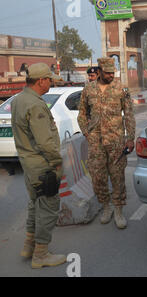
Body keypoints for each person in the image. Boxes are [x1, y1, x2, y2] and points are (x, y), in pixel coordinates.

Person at [11, 63, 66, 269]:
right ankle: (41, 254)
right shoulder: (35, 104)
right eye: (49, 79)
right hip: (42, 165)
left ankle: (28, 245)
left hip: (28, 164)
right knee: (48, 207)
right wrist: (57, 162)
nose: (51, 83)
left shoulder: (19, 100)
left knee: (35, 203)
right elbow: (44, 142)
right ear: (41, 81)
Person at [77, 58, 136, 229]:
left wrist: (130, 137)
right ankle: (106, 207)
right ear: (100, 71)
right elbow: (82, 113)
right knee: (98, 177)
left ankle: (118, 210)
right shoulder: (88, 89)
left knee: (117, 176)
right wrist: (86, 132)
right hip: (95, 141)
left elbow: (129, 114)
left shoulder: (121, 88)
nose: (111, 75)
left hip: (116, 140)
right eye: (108, 72)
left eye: (113, 72)